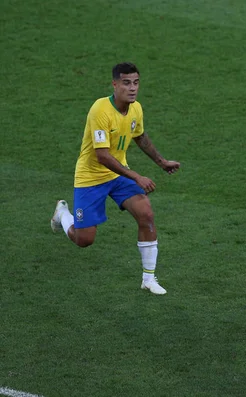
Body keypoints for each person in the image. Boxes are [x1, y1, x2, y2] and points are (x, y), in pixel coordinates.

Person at [50, 62, 180, 295]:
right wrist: (137, 176)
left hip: (118, 174)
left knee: (146, 213)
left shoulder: (136, 108)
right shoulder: (100, 110)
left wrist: (161, 162)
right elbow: (102, 156)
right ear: (115, 84)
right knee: (84, 239)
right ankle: (62, 216)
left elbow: (139, 136)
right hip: (91, 176)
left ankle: (148, 279)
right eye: (127, 83)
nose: (132, 89)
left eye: (136, 83)